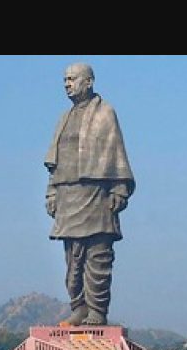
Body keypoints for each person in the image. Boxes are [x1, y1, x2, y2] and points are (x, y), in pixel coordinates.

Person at [45, 63, 135, 327]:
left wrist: (119, 188)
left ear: (89, 81)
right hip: (67, 195)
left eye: (72, 79)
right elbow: (54, 163)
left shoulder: (105, 113)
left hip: (96, 195)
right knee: (72, 262)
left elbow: (115, 151)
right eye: (65, 79)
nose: (67, 84)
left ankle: (97, 311)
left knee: (97, 257)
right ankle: (79, 307)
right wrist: (51, 194)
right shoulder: (64, 117)